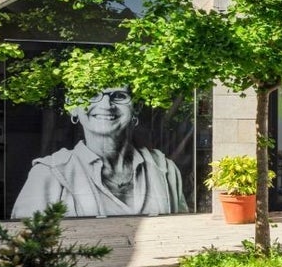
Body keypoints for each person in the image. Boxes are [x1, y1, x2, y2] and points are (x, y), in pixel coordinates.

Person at [11, 86, 187, 217]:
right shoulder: (48, 173)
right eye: (91, 95)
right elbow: (24, 245)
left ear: (137, 107)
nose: (106, 105)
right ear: (73, 107)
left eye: (119, 96)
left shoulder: (165, 169)